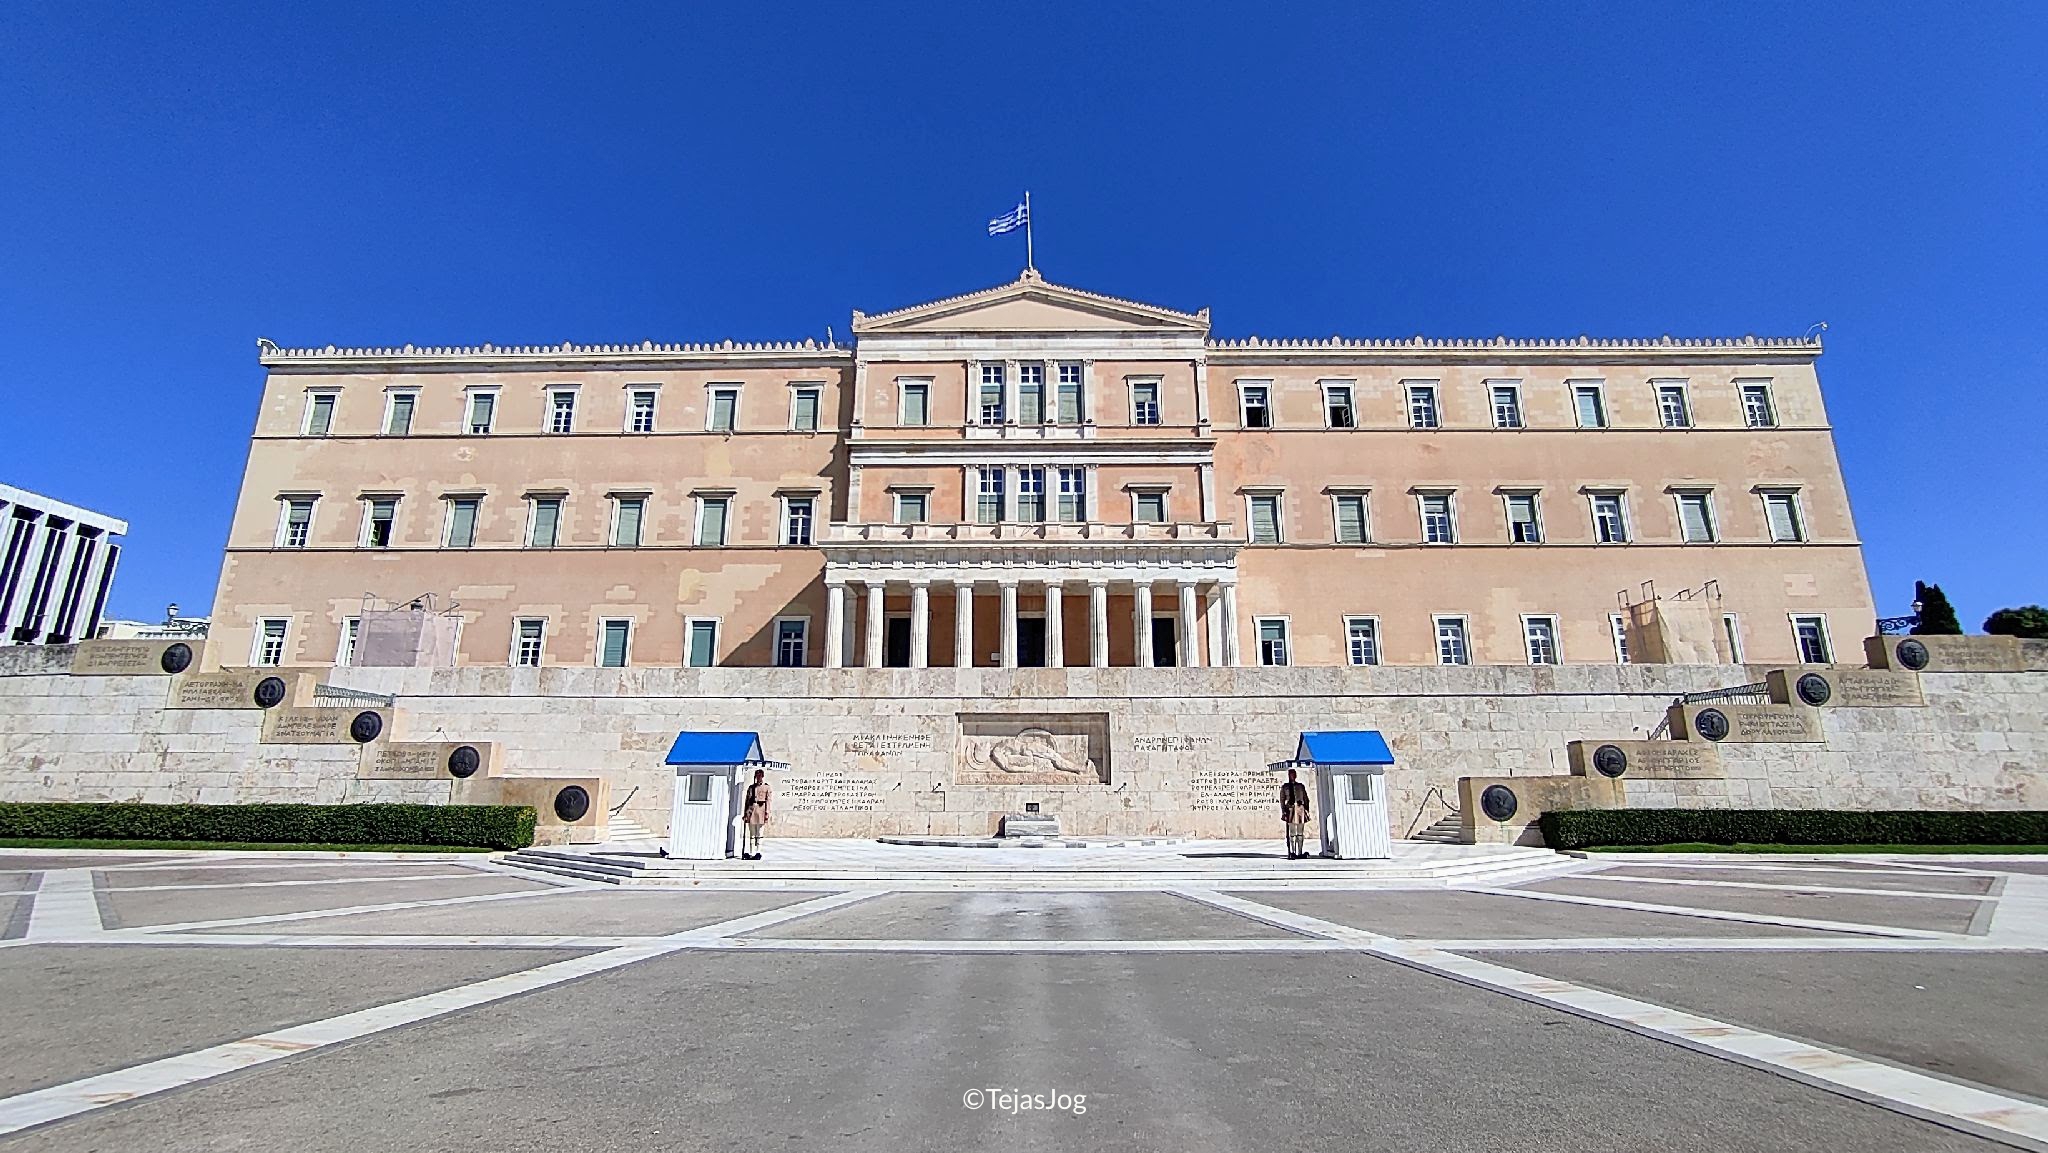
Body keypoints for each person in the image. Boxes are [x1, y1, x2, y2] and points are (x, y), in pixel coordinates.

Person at [1280, 769, 1312, 859]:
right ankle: (1292, 851)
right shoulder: (1285, 787)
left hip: (1300, 809)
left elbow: (1306, 799)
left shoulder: (1300, 786)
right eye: (1290, 774)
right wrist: (1283, 812)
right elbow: (1282, 800)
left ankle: (1300, 851)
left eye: (1293, 774)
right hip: (1290, 810)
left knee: (1300, 833)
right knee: (1292, 833)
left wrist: (1306, 810)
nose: (1292, 776)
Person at [741, 768, 771, 860]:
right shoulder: (751, 787)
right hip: (752, 811)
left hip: (761, 811)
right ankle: (751, 852)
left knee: (759, 834)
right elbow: (747, 801)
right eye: (757, 776)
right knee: (752, 834)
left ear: (762, 777)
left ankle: (758, 852)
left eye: (760, 776)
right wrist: (746, 813)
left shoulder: (766, 787)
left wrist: (767, 813)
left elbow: (768, 801)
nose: (758, 778)